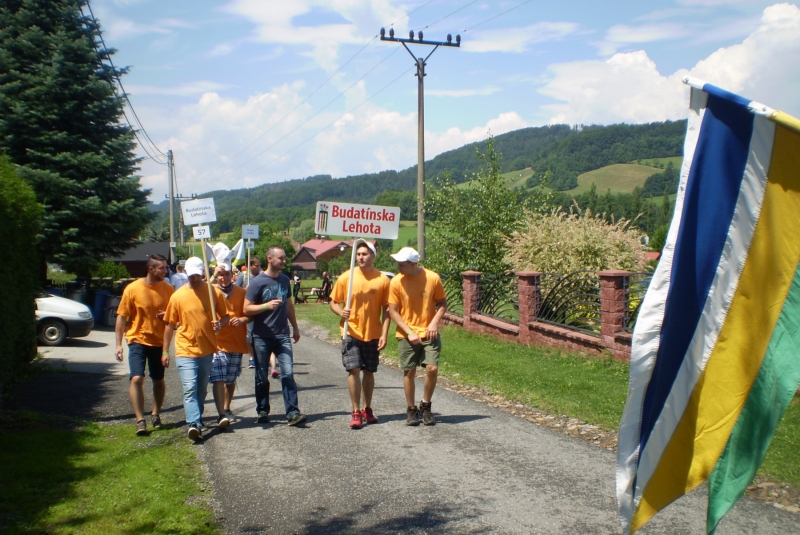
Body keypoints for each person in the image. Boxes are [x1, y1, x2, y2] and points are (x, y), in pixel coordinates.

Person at [162, 257, 231, 441]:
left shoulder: (213, 292)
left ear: (203, 273)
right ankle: (194, 423)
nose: (193, 279)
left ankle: (197, 419)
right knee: (190, 387)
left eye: (197, 275)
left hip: (207, 349)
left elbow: (225, 316)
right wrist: (165, 351)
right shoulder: (178, 296)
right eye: (190, 276)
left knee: (201, 388)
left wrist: (220, 325)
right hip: (185, 348)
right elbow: (169, 324)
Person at [329, 240, 390, 429]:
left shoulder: (382, 279)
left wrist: (384, 334)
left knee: (369, 371)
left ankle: (367, 408)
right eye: (358, 254)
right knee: (353, 369)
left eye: (364, 254)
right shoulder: (347, 277)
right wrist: (341, 312)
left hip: (372, 331)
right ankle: (355, 411)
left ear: (372, 256)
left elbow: (387, 309)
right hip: (351, 330)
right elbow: (333, 301)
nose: (361, 257)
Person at [244, 246, 307, 426]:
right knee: (261, 376)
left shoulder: (285, 280)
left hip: (282, 335)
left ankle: (293, 413)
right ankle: (262, 410)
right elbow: (246, 308)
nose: (284, 261)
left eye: (285, 258)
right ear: (269, 259)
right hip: (262, 336)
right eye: (281, 258)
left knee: (287, 373)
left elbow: (289, 306)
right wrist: (265, 306)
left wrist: (295, 327)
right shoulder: (258, 282)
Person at [115, 254, 174, 436]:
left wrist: (167, 317)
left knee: (158, 380)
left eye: (166, 267)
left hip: (158, 341)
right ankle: (140, 420)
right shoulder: (132, 289)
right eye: (162, 268)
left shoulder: (169, 289)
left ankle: (155, 413)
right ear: (151, 269)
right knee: (137, 378)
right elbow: (122, 316)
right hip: (137, 340)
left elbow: (175, 319)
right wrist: (118, 344)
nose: (166, 271)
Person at [387, 247, 447, 426]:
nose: (398, 267)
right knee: (409, 371)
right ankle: (411, 409)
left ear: (413, 264)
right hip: (406, 333)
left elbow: (442, 304)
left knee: (432, 369)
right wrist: (409, 332)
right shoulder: (396, 282)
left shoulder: (432, 278)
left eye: (402, 264)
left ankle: (426, 405)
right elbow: (393, 311)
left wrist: (434, 322)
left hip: (429, 331)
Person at [212, 262, 250, 423]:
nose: (224, 278)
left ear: (232, 275)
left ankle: (227, 407)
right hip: (217, 342)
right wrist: (213, 275)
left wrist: (242, 319)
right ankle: (221, 412)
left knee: (230, 378)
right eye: (220, 275)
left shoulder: (241, 292)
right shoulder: (210, 291)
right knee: (218, 377)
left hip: (236, 341)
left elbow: (250, 314)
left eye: (227, 274)